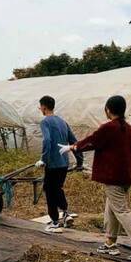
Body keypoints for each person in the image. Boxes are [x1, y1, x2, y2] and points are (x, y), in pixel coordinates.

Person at [60, 95, 131, 261]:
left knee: (121, 211)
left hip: (113, 177)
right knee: (111, 209)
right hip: (126, 177)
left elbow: (93, 141)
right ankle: (110, 243)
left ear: (107, 109)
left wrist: (73, 147)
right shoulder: (128, 129)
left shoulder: (109, 128)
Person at [35, 95, 82, 233]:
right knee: (57, 188)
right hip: (64, 163)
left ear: (43, 107)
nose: (40, 109)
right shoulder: (62, 122)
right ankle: (66, 214)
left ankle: (55, 222)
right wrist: (79, 160)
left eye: (40, 107)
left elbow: (47, 140)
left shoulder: (45, 122)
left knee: (50, 191)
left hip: (53, 163)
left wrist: (43, 159)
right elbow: (74, 141)